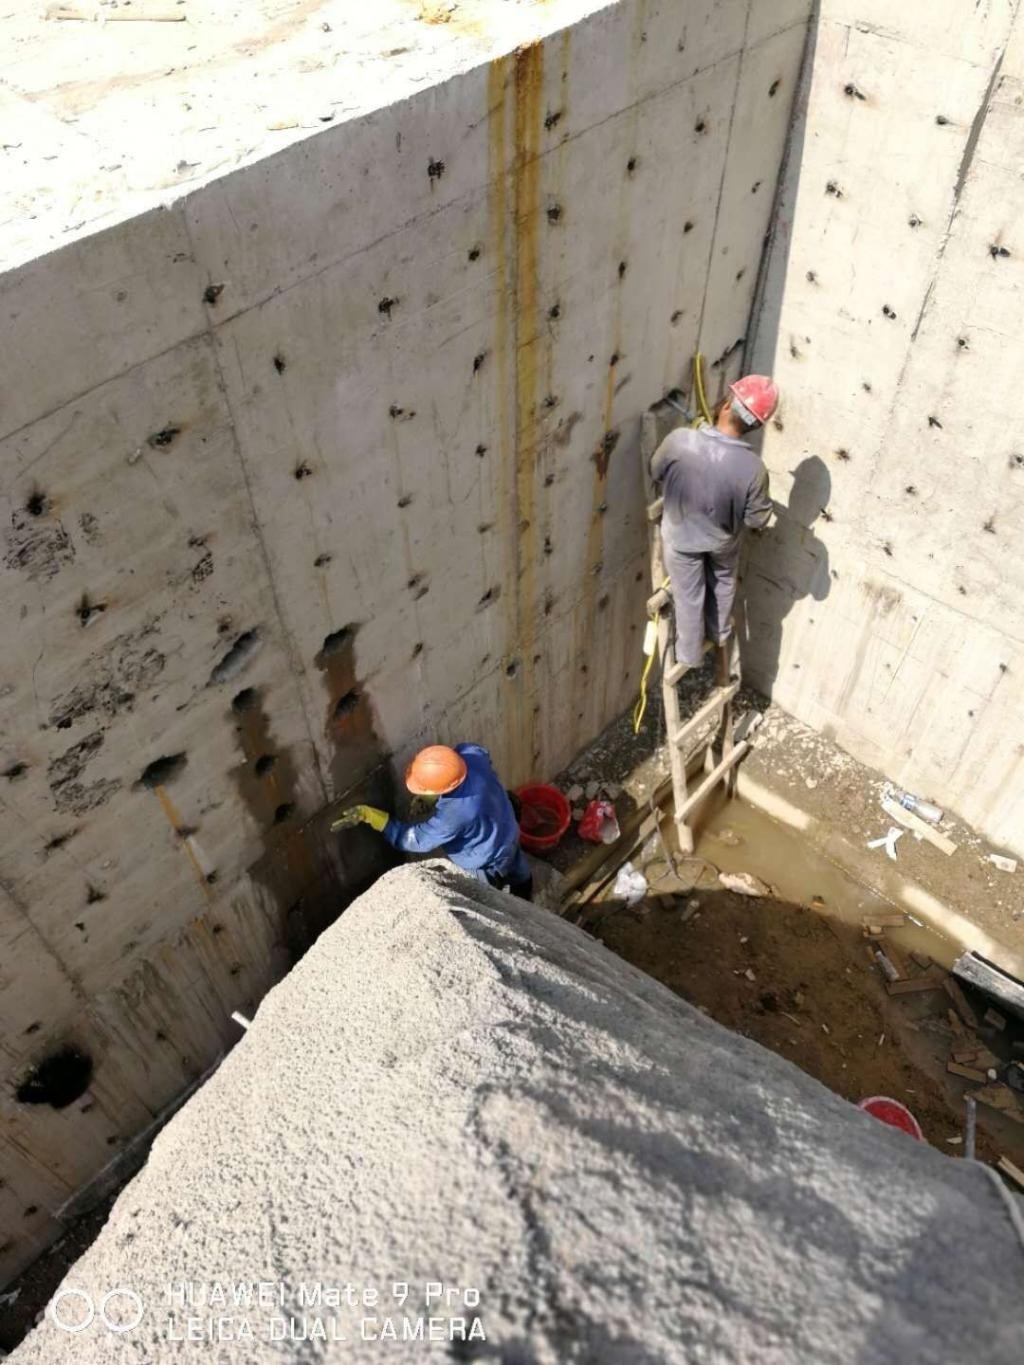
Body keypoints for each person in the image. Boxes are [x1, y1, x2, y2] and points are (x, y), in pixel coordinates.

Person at [650, 375, 778, 672]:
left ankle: (690, 657)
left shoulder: (680, 440)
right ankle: (718, 633)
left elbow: (655, 471)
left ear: (727, 405)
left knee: (689, 596)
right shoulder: (754, 469)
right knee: (722, 583)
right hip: (722, 542)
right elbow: (756, 519)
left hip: (682, 540)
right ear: (756, 425)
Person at [332, 743, 533, 901]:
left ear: (441, 791)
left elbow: (416, 840)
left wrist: (375, 818)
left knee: (489, 898)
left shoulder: (454, 814)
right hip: (508, 832)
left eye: (423, 792)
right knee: (521, 874)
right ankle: (527, 901)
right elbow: (481, 754)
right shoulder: (471, 755)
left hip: (486, 861)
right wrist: (436, 798)